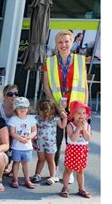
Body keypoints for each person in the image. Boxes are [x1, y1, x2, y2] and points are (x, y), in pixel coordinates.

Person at [43, 30, 89, 184]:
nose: (64, 45)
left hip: (76, 108)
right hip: (56, 106)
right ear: (56, 44)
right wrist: (56, 106)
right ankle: (54, 171)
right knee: (55, 140)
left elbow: (85, 86)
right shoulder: (49, 62)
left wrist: (85, 109)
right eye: (60, 42)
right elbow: (46, 86)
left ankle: (69, 172)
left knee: (73, 141)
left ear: (72, 43)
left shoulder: (81, 61)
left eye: (67, 41)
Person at [59, 101, 92, 199]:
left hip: (82, 150)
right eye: (79, 113)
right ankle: (65, 188)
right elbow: (73, 138)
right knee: (68, 170)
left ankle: (81, 188)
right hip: (73, 150)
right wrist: (78, 128)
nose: (82, 115)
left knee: (81, 171)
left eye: (84, 113)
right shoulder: (70, 126)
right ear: (73, 114)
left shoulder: (87, 126)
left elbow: (88, 138)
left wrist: (84, 129)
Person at [31, 98, 67, 185]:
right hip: (40, 143)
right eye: (40, 111)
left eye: (42, 111)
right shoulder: (37, 118)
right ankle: (37, 174)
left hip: (51, 144)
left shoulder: (55, 118)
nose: (41, 114)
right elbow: (33, 129)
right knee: (41, 159)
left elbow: (62, 126)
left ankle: (52, 176)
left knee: (51, 160)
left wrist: (65, 118)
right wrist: (32, 139)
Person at [8, 97, 37, 189]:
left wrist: (28, 138)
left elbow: (34, 131)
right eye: (19, 107)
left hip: (27, 146)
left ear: (28, 108)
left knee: (25, 164)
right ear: (15, 109)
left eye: (24, 107)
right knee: (16, 162)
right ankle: (15, 179)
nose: (22, 109)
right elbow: (12, 132)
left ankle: (27, 179)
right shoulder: (13, 119)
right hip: (17, 146)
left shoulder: (31, 119)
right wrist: (20, 138)